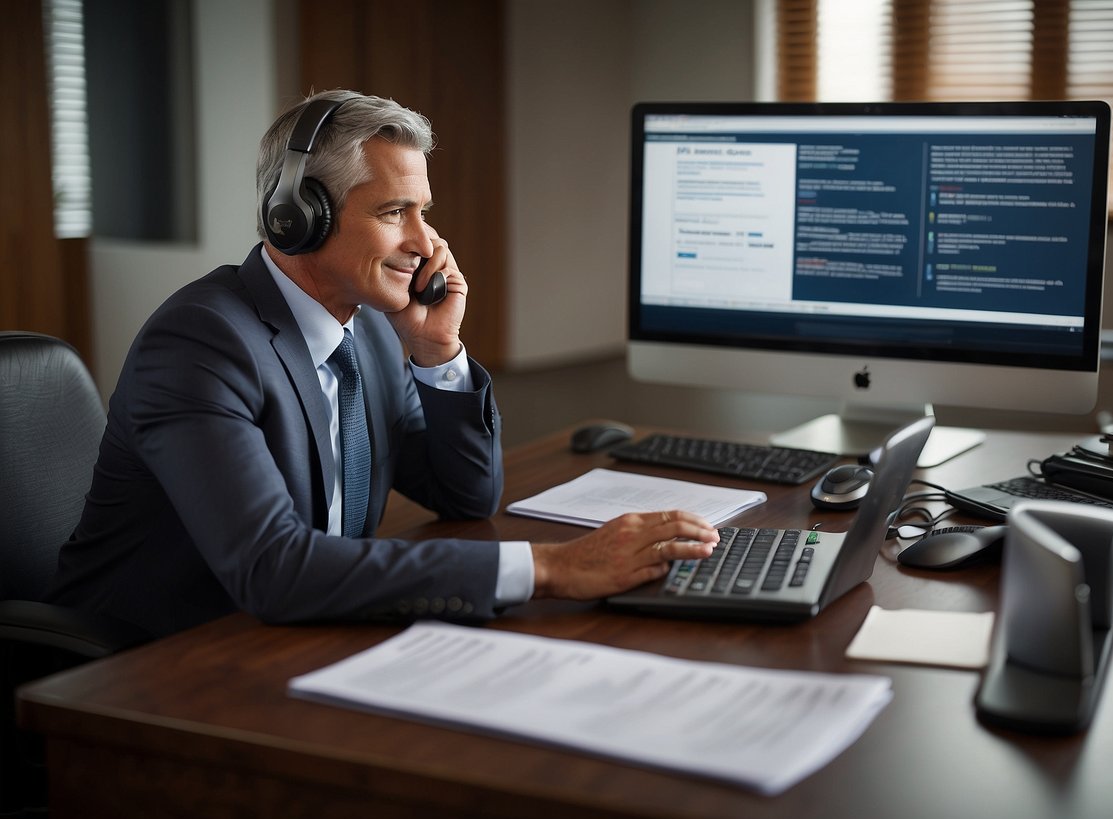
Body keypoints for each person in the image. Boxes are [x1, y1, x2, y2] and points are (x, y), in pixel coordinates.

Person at [46, 90, 718, 638]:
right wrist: (549, 569)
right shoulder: (200, 343)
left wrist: (436, 352)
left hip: (295, 634)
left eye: (423, 211)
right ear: (296, 217)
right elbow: (274, 570)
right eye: (394, 212)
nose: (424, 242)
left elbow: (463, 495)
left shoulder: (365, 330)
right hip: (157, 666)